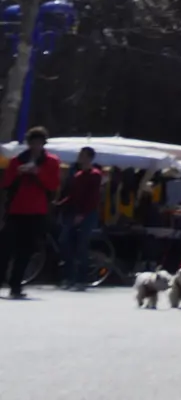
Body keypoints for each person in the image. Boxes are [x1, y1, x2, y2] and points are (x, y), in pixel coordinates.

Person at [1, 127, 61, 298]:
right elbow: (6, 183)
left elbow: (52, 185)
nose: (35, 146)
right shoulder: (17, 160)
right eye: (32, 143)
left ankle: (16, 285)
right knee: (5, 247)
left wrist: (38, 173)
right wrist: (18, 173)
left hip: (36, 210)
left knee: (25, 250)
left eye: (39, 143)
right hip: (16, 209)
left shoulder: (51, 161)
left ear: (43, 143)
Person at [55, 145, 103, 291]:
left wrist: (82, 214)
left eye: (83, 155)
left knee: (81, 245)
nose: (79, 157)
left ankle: (81, 279)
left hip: (87, 213)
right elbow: (72, 195)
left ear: (89, 157)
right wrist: (59, 204)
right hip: (73, 211)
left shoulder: (95, 174)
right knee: (65, 242)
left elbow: (92, 197)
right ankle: (69, 277)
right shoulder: (78, 175)